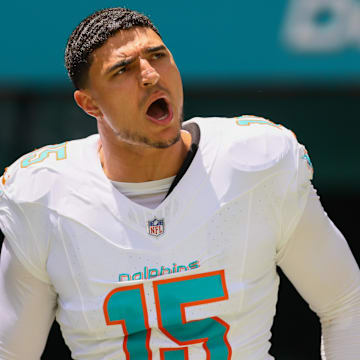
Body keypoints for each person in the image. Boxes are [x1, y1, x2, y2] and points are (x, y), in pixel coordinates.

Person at [0, 7, 359, 360]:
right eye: (122, 69)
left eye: (158, 56)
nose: (150, 75)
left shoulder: (257, 162)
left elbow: (346, 304)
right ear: (89, 103)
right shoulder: (43, 196)